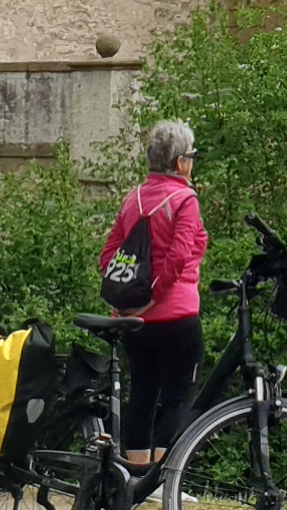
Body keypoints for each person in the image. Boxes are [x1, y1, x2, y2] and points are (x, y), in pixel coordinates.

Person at [107, 118, 208, 488]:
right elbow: (180, 256)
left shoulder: (132, 198)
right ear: (180, 162)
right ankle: (165, 483)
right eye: (192, 156)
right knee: (179, 397)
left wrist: (129, 298)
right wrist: (155, 296)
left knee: (143, 395)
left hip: (132, 321)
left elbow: (108, 256)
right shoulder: (185, 200)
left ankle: (135, 481)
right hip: (176, 315)